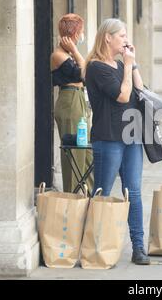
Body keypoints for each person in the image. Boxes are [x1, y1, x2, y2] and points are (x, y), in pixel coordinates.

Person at [84, 18, 150, 265]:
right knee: (102, 191)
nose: (126, 39)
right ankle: (93, 245)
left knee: (133, 191)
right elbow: (123, 96)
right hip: (109, 137)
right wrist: (127, 65)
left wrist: (131, 64)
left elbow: (139, 89)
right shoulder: (96, 67)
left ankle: (139, 247)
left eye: (126, 35)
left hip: (131, 135)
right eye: (121, 35)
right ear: (107, 37)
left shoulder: (121, 63)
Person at [51, 13, 93, 193]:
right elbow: (85, 73)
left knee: (86, 152)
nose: (82, 35)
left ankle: (89, 196)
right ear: (75, 34)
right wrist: (76, 52)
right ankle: (73, 197)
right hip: (69, 101)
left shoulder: (68, 54)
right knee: (74, 151)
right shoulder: (59, 55)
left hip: (78, 99)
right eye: (81, 31)